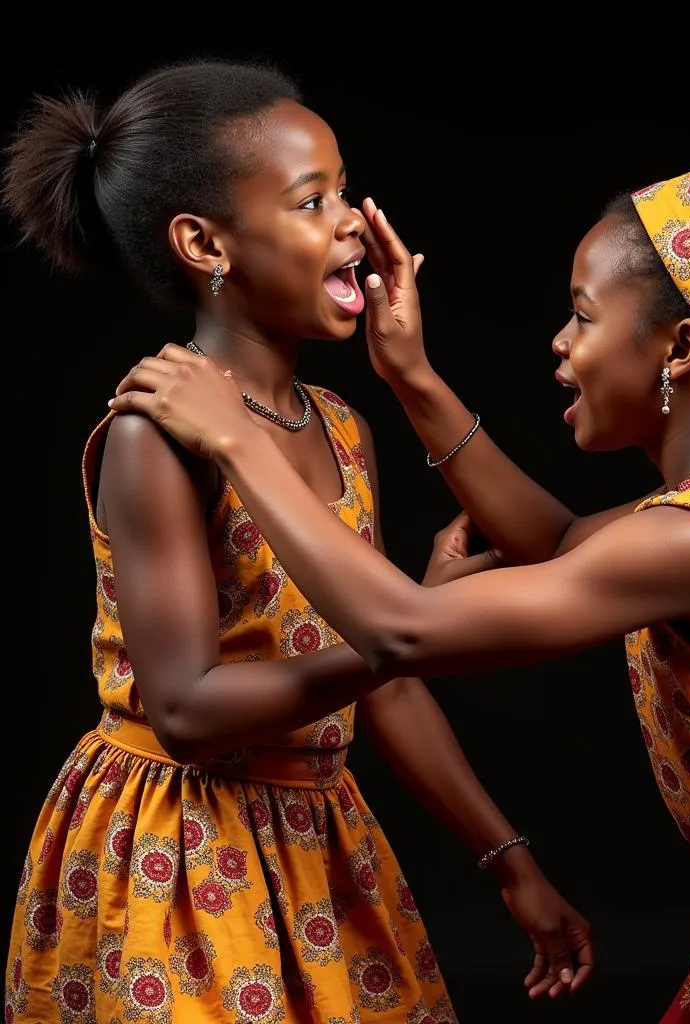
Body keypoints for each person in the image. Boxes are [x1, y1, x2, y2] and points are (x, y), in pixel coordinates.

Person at [110, 153, 690, 1022]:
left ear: (680, 348)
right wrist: (413, 377)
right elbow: (556, 543)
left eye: (583, 316)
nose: (559, 341)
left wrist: (237, 440)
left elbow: (406, 632)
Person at [0, 57, 598, 1023]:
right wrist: (412, 625)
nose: (355, 220)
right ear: (204, 243)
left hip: (320, 838)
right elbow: (189, 710)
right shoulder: (161, 428)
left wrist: (509, 861)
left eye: (346, 190)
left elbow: (386, 670)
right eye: (312, 200)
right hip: (180, 850)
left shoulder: (339, 426)